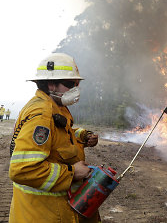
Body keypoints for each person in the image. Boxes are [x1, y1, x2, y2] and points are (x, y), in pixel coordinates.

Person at [9, 53, 100, 223]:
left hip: (52, 210)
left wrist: (83, 136)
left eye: (77, 84)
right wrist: (72, 173)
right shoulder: (41, 115)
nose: (76, 89)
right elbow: (22, 170)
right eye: (70, 84)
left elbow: (62, 135)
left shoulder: (57, 106)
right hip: (43, 214)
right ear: (51, 84)